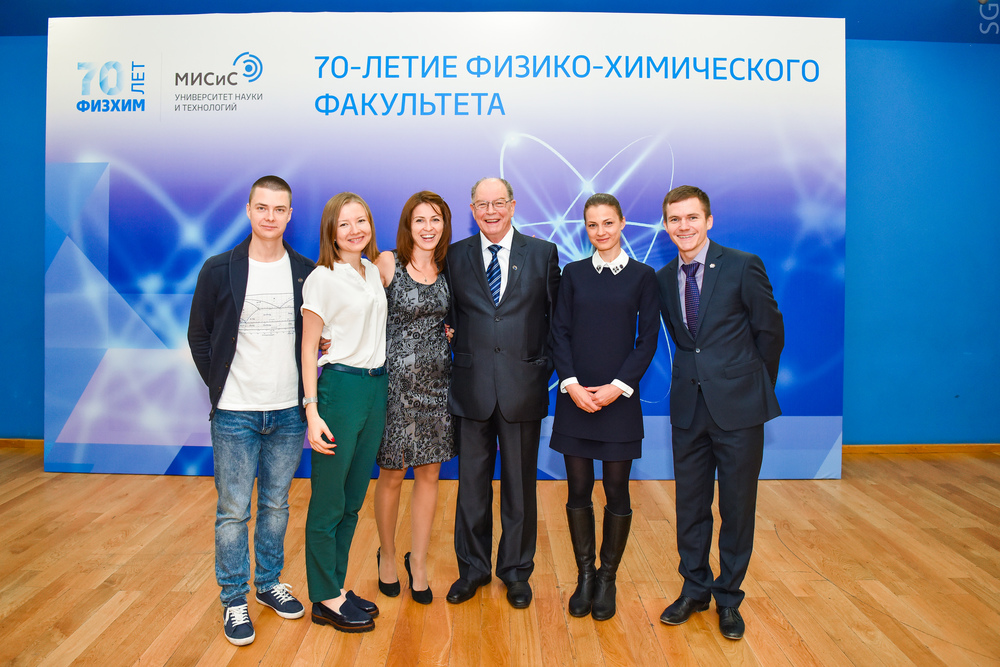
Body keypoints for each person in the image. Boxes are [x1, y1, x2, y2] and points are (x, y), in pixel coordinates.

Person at [187, 175, 313, 646]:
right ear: (248, 210)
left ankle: (268, 584)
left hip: (288, 413)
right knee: (233, 511)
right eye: (262, 208)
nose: (270, 217)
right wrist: (222, 388)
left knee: (277, 506)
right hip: (235, 413)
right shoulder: (218, 269)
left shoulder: (305, 271)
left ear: (290, 215)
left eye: (280, 209)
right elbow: (199, 335)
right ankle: (234, 598)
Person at [654, 185, 784, 640]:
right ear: (665, 225)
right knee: (690, 506)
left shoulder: (743, 265)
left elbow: (770, 332)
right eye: (675, 219)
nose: (684, 226)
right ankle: (694, 589)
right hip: (688, 409)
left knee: (736, 507)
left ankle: (728, 598)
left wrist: (752, 387)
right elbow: (683, 339)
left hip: (740, 409)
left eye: (692, 217)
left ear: (709, 221)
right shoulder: (663, 277)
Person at [445, 177, 560, 609]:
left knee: (519, 488)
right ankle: (472, 570)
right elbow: (448, 316)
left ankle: (515, 571)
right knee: (471, 489)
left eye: (498, 203)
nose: (490, 211)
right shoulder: (454, 256)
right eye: (482, 205)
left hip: (523, 389)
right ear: (472, 210)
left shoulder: (543, 254)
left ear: (512, 206)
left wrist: (540, 368)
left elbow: (557, 321)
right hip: (471, 389)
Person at [549, 193, 659, 621]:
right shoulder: (573, 274)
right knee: (577, 489)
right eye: (592, 225)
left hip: (619, 401)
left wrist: (617, 387)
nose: (601, 231)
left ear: (622, 223)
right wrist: (571, 385)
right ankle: (585, 576)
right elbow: (559, 332)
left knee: (616, 489)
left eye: (608, 223)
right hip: (575, 398)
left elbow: (647, 341)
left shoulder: (643, 277)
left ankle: (607, 577)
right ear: (586, 228)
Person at [301, 192, 387, 633]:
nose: (355, 230)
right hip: (340, 389)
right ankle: (323, 596)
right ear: (331, 233)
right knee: (329, 500)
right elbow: (308, 348)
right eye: (345, 224)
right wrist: (312, 411)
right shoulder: (322, 278)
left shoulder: (373, 270)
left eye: (362, 221)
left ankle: (334, 585)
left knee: (353, 500)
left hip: (376, 388)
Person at [372, 191, 456, 605]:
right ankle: (387, 555)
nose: (428, 227)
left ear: (444, 225)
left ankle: (417, 562)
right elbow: (358, 308)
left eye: (435, 219)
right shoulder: (387, 263)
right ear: (408, 224)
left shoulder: (449, 267)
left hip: (438, 388)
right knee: (391, 474)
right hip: (394, 388)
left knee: (430, 475)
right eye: (420, 219)